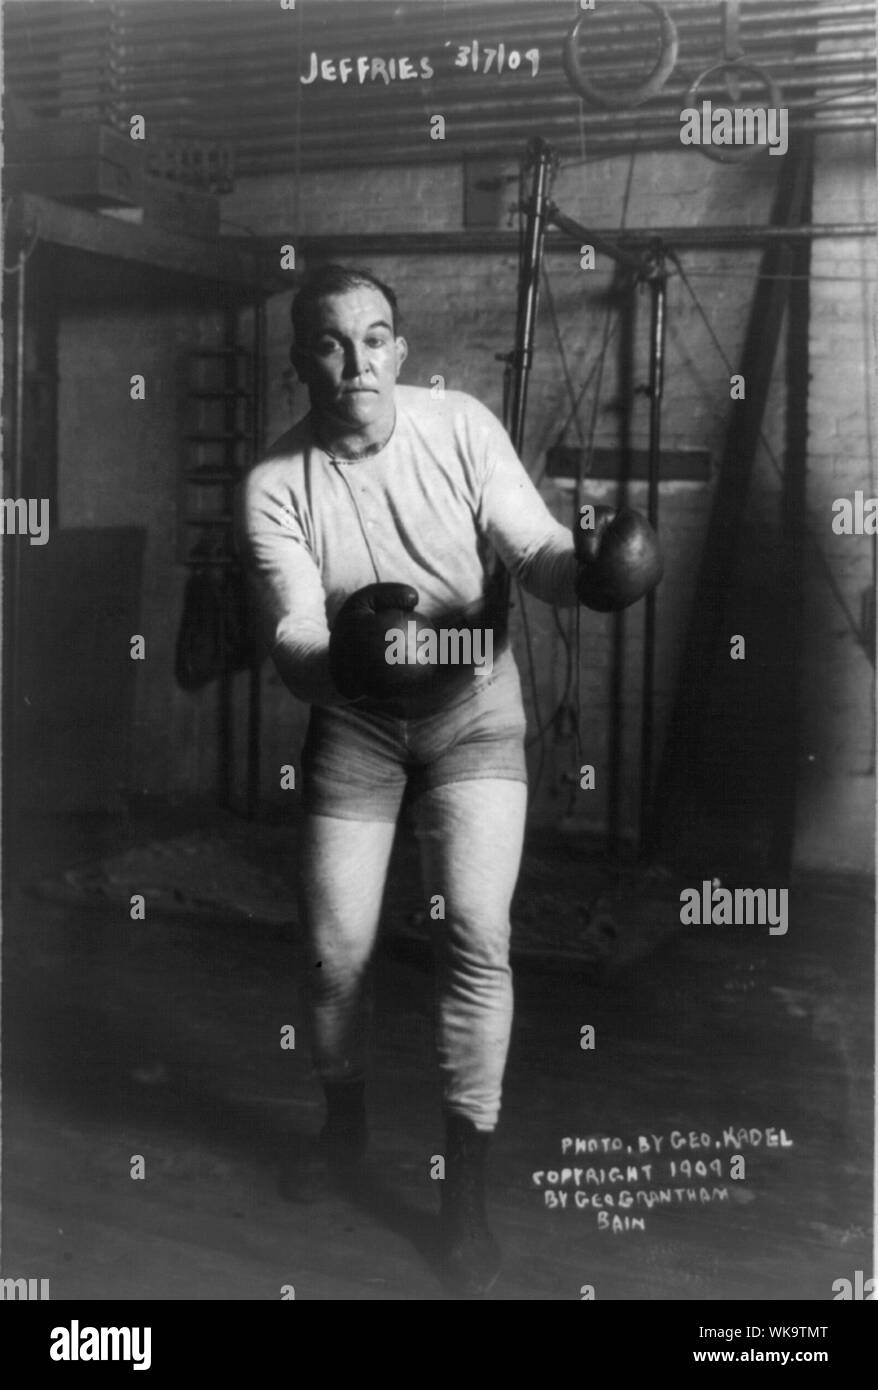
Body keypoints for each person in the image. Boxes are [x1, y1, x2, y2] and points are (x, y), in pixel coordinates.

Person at [237, 264, 661, 1298]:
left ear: (401, 351)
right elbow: (292, 631)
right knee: (335, 949)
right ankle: (343, 1134)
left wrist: (598, 567)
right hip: (353, 725)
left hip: (472, 711)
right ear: (301, 362)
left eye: (375, 338)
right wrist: (347, 657)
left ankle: (461, 1189)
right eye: (331, 344)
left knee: (474, 930)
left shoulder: (460, 426)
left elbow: (538, 552)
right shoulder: (274, 483)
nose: (357, 363)